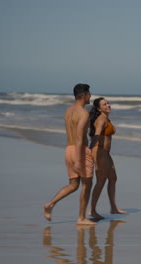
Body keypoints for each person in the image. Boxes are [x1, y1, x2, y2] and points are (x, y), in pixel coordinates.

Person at [44, 83, 96, 225]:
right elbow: (80, 137)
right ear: (83, 95)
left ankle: (50, 204)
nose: (90, 96)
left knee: (73, 185)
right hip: (80, 151)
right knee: (87, 184)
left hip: (68, 150)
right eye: (89, 94)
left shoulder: (68, 111)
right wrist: (79, 160)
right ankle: (81, 218)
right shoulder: (83, 113)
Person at [88, 97, 127, 219]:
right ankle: (92, 210)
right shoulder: (101, 120)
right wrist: (89, 152)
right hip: (99, 152)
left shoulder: (106, 118)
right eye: (104, 104)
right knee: (101, 181)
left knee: (113, 178)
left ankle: (113, 208)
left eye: (108, 103)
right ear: (99, 108)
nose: (108, 105)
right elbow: (96, 135)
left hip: (105, 153)